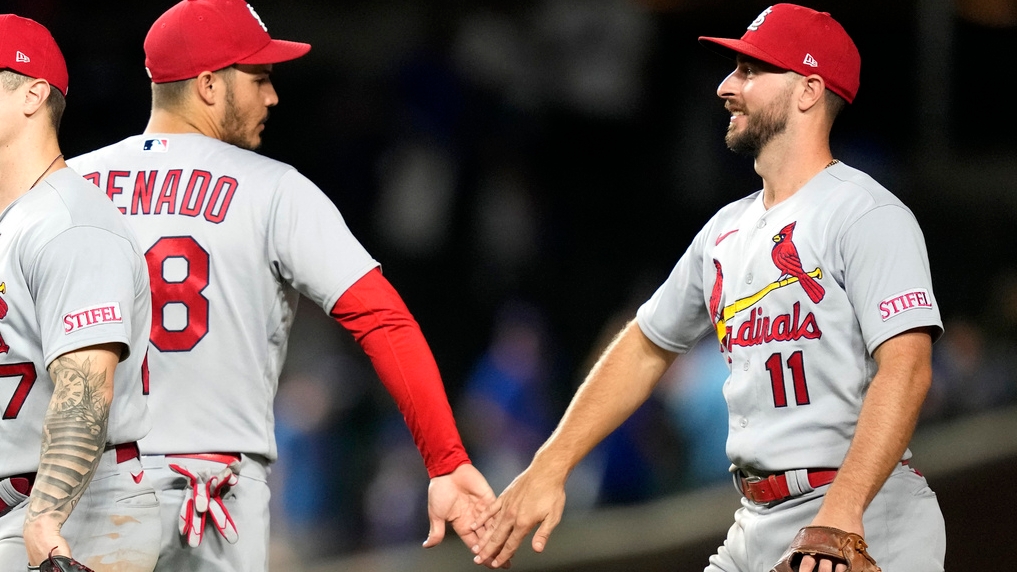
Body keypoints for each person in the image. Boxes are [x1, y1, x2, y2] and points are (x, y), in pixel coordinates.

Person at [470, 4, 946, 572]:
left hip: (863, 515)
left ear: (809, 90)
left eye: (751, 71)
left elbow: (908, 368)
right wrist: (550, 465)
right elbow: (647, 345)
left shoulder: (865, 214)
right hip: (757, 519)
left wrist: (842, 515)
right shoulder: (726, 230)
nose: (726, 86)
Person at [66, 1, 500, 570]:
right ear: (208, 85)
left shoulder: (66, 187)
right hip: (219, 497)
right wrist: (445, 461)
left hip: (86, 492)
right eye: (260, 78)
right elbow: (382, 320)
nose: (272, 97)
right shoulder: (275, 190)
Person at [0, 13, 159, 571]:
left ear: (32, 94)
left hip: (73, 515)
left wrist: (45, 519)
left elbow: (86, 388)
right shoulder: (16, 222)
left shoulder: (70, 224)